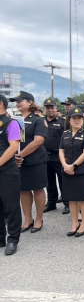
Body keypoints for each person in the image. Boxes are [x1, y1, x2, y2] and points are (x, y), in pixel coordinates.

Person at [10, 91, 48, 233]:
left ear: (30, 103)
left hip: (35, 160)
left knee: (38, 189)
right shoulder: (15, 120)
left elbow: (38, 141)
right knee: (23, 190)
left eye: (21, 100)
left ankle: (39, 219)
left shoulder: (38, 120)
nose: (18, 103)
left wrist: (20, 155)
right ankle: (28, 219)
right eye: (17, 101)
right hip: (19, 161)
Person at [59, 107, 84, 237]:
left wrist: (73, 165)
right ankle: (74, 223)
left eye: (79, 118)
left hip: (81, 171)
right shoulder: (65, 134)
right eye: (74, 118)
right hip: (67, 170)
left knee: (83, 199)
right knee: (71, 199)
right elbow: (61, 150)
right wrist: (65, 165)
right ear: (69, 119)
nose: (77, 120)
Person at [0, 95, 22, 255]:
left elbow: (14, 146)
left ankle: (13, 239)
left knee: (11, 206)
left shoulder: (11, 123)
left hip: (6, 171)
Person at [42, 99, 69, 215]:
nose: (50, 110)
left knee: (63, 180)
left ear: (56, 108)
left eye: (52, 107)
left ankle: (67, 203)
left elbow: (67, 138)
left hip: (58, 156)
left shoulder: (62, 121)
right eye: (47, 108)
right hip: (44, 156)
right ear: (44, 109)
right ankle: (51, 203)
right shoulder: (41, 122)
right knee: (49, 181)